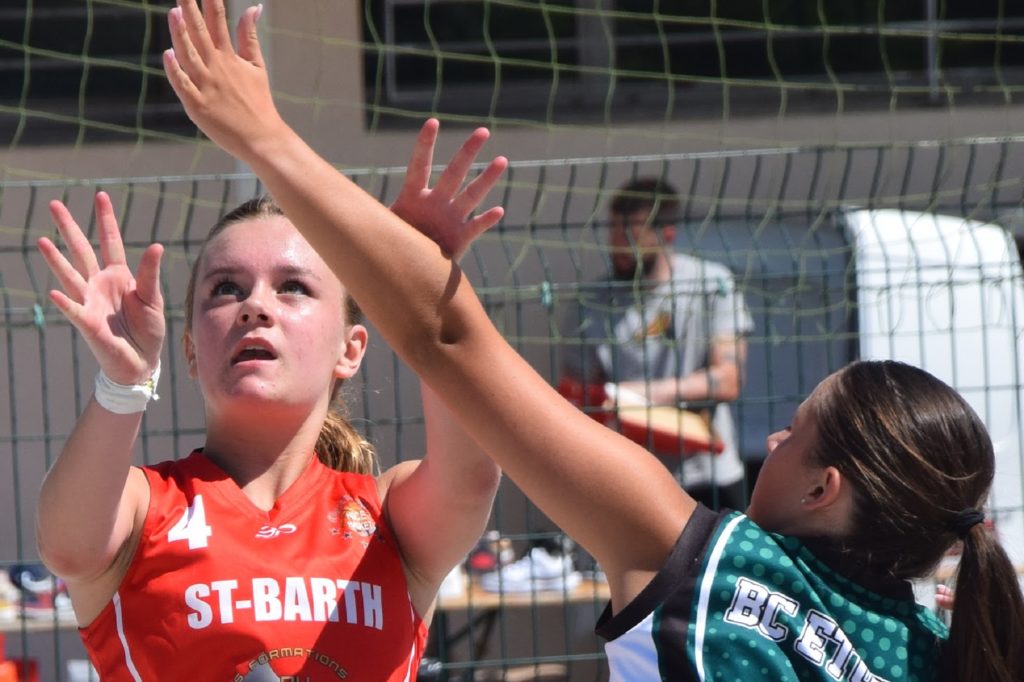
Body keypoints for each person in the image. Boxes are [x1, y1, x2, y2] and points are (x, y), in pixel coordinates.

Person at [163, 2, 1024, 680]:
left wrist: (263, 136)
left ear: (824, 487)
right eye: (228, 288)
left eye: (795, 432)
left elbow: (447, 340)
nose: (772, 439)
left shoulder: (715, 565)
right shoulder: (935, 646)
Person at [34, 123, 506, 679]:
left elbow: (471, 478)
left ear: (350, 349)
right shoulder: (144, 505)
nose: (255, 305)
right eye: (226, 288)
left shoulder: (388, 514)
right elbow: (67, 548)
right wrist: (123, 380)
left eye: (293, 287)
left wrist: (424, 283)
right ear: (190, 350)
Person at [560, 177, 753, 510]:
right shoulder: (590, 303)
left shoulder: (712, 284)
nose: (619, 246)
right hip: (632, 477)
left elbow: (728, 379)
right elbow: (578, 398)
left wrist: (638, 395)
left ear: (667, 234)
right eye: (613, 233)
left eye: (631, 235)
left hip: (709, 474)